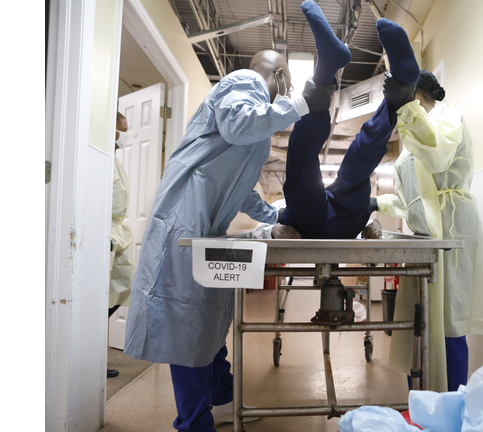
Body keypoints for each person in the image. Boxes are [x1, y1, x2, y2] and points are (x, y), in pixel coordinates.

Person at [122, 2, 341, 428]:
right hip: (183, 224)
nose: (286, 89)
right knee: (185, 326)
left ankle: (221, 396)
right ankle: (194, 422)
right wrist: (301, 102)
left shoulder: (251, 113)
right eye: (288, 82)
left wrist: (275, 215)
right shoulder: (243, 82)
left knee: (207, 319)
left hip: (205, 225)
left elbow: (241, 188)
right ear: (279, 75)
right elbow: (242, 126)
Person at [376, 70, 483, 393]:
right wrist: (375, 204)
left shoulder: (448, 119)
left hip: (449, 233)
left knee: (448, 327)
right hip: (424, 242)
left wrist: (405, 110)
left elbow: (436, 155)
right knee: (417, 326)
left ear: (415, 95)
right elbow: (411, 202)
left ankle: (450, 410)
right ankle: (422, 406)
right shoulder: (409, 142)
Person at [270, 17, 419, 242]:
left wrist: (272, 226)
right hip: (345, 219)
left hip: (309, 222)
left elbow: (268, 216)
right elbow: (267, 219)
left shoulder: (282, 204)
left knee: (308, 168)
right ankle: (397, 91)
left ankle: (328, 73)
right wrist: (373, 221)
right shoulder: (292, 203)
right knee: (354, 168)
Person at [107, 112, 135, 379]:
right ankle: (91, 355)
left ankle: (92, 351)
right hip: (106, 230)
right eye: (122, 129)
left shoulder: (113, 158)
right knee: (98, 295)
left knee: (122, 286)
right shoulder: (101, 158)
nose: (125, 134)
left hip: (118, 229)